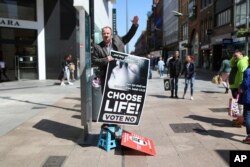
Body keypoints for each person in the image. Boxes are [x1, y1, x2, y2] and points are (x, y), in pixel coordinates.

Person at [92, 16, 139, 91]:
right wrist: (106, 59)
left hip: (121, 76)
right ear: (102, 35)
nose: (106, 35)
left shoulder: (118, 40)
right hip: (107, 78)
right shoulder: (98, 47)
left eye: (108, 33)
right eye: (104, 33)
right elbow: (94, 61)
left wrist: (134, 25)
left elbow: (129, 36)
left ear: (111, 35)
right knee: (107, 99)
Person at [229, 50, 248, 127]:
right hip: (234, 85)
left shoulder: (242, 61)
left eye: (237, 54)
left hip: (238, 86)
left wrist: (241, 85)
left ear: (241, 54)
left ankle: (241, 120)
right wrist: (234, 58)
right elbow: (231, 64)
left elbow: (243, 72)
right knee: (237, 103)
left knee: (240, 103)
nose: (235, 56)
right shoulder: (237, 61)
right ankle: (240, 118)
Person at [239, 58, 250, 144]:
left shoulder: (248, 71)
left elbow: (246, 84)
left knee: (248, 115)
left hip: (249, 97)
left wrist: (240, 86)